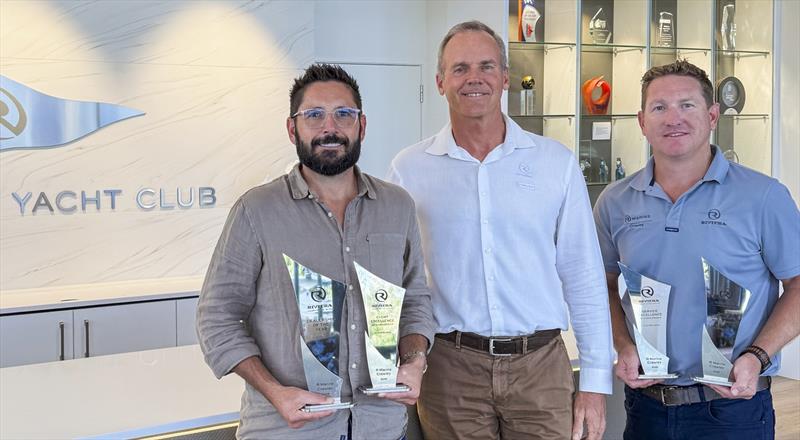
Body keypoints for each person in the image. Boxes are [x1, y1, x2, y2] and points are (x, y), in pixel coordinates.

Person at [387, 20, 614, 440]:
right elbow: (396, 277)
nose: (474, 78)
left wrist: (596, 381)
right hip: (450, 370)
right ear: (440, 82)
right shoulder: (409, 169)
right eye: (460, 68)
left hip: (541, 368)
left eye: (487, 66)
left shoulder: (555, 163)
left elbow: (583, 274)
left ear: (506, 77)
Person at [197, 64, 435, 440]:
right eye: (314, 115)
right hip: (287, 431)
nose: (330, 127)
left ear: (362, 126)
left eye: (344, 114)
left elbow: (415, 300)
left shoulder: (397, 206)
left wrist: (415, 361)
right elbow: (217, 318)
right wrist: (275, 392)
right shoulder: (256, 211)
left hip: (381, 426)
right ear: (292, 129)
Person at [593, 59, 800, 440]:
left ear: (712, 115)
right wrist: (622, 344)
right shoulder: (615, 201)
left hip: (733, 408)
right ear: (642, 121)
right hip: (646, 406)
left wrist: (757, 356)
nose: (673, 118)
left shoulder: (763, 196)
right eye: (659, 107)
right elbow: (601, 284)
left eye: (687, 105)